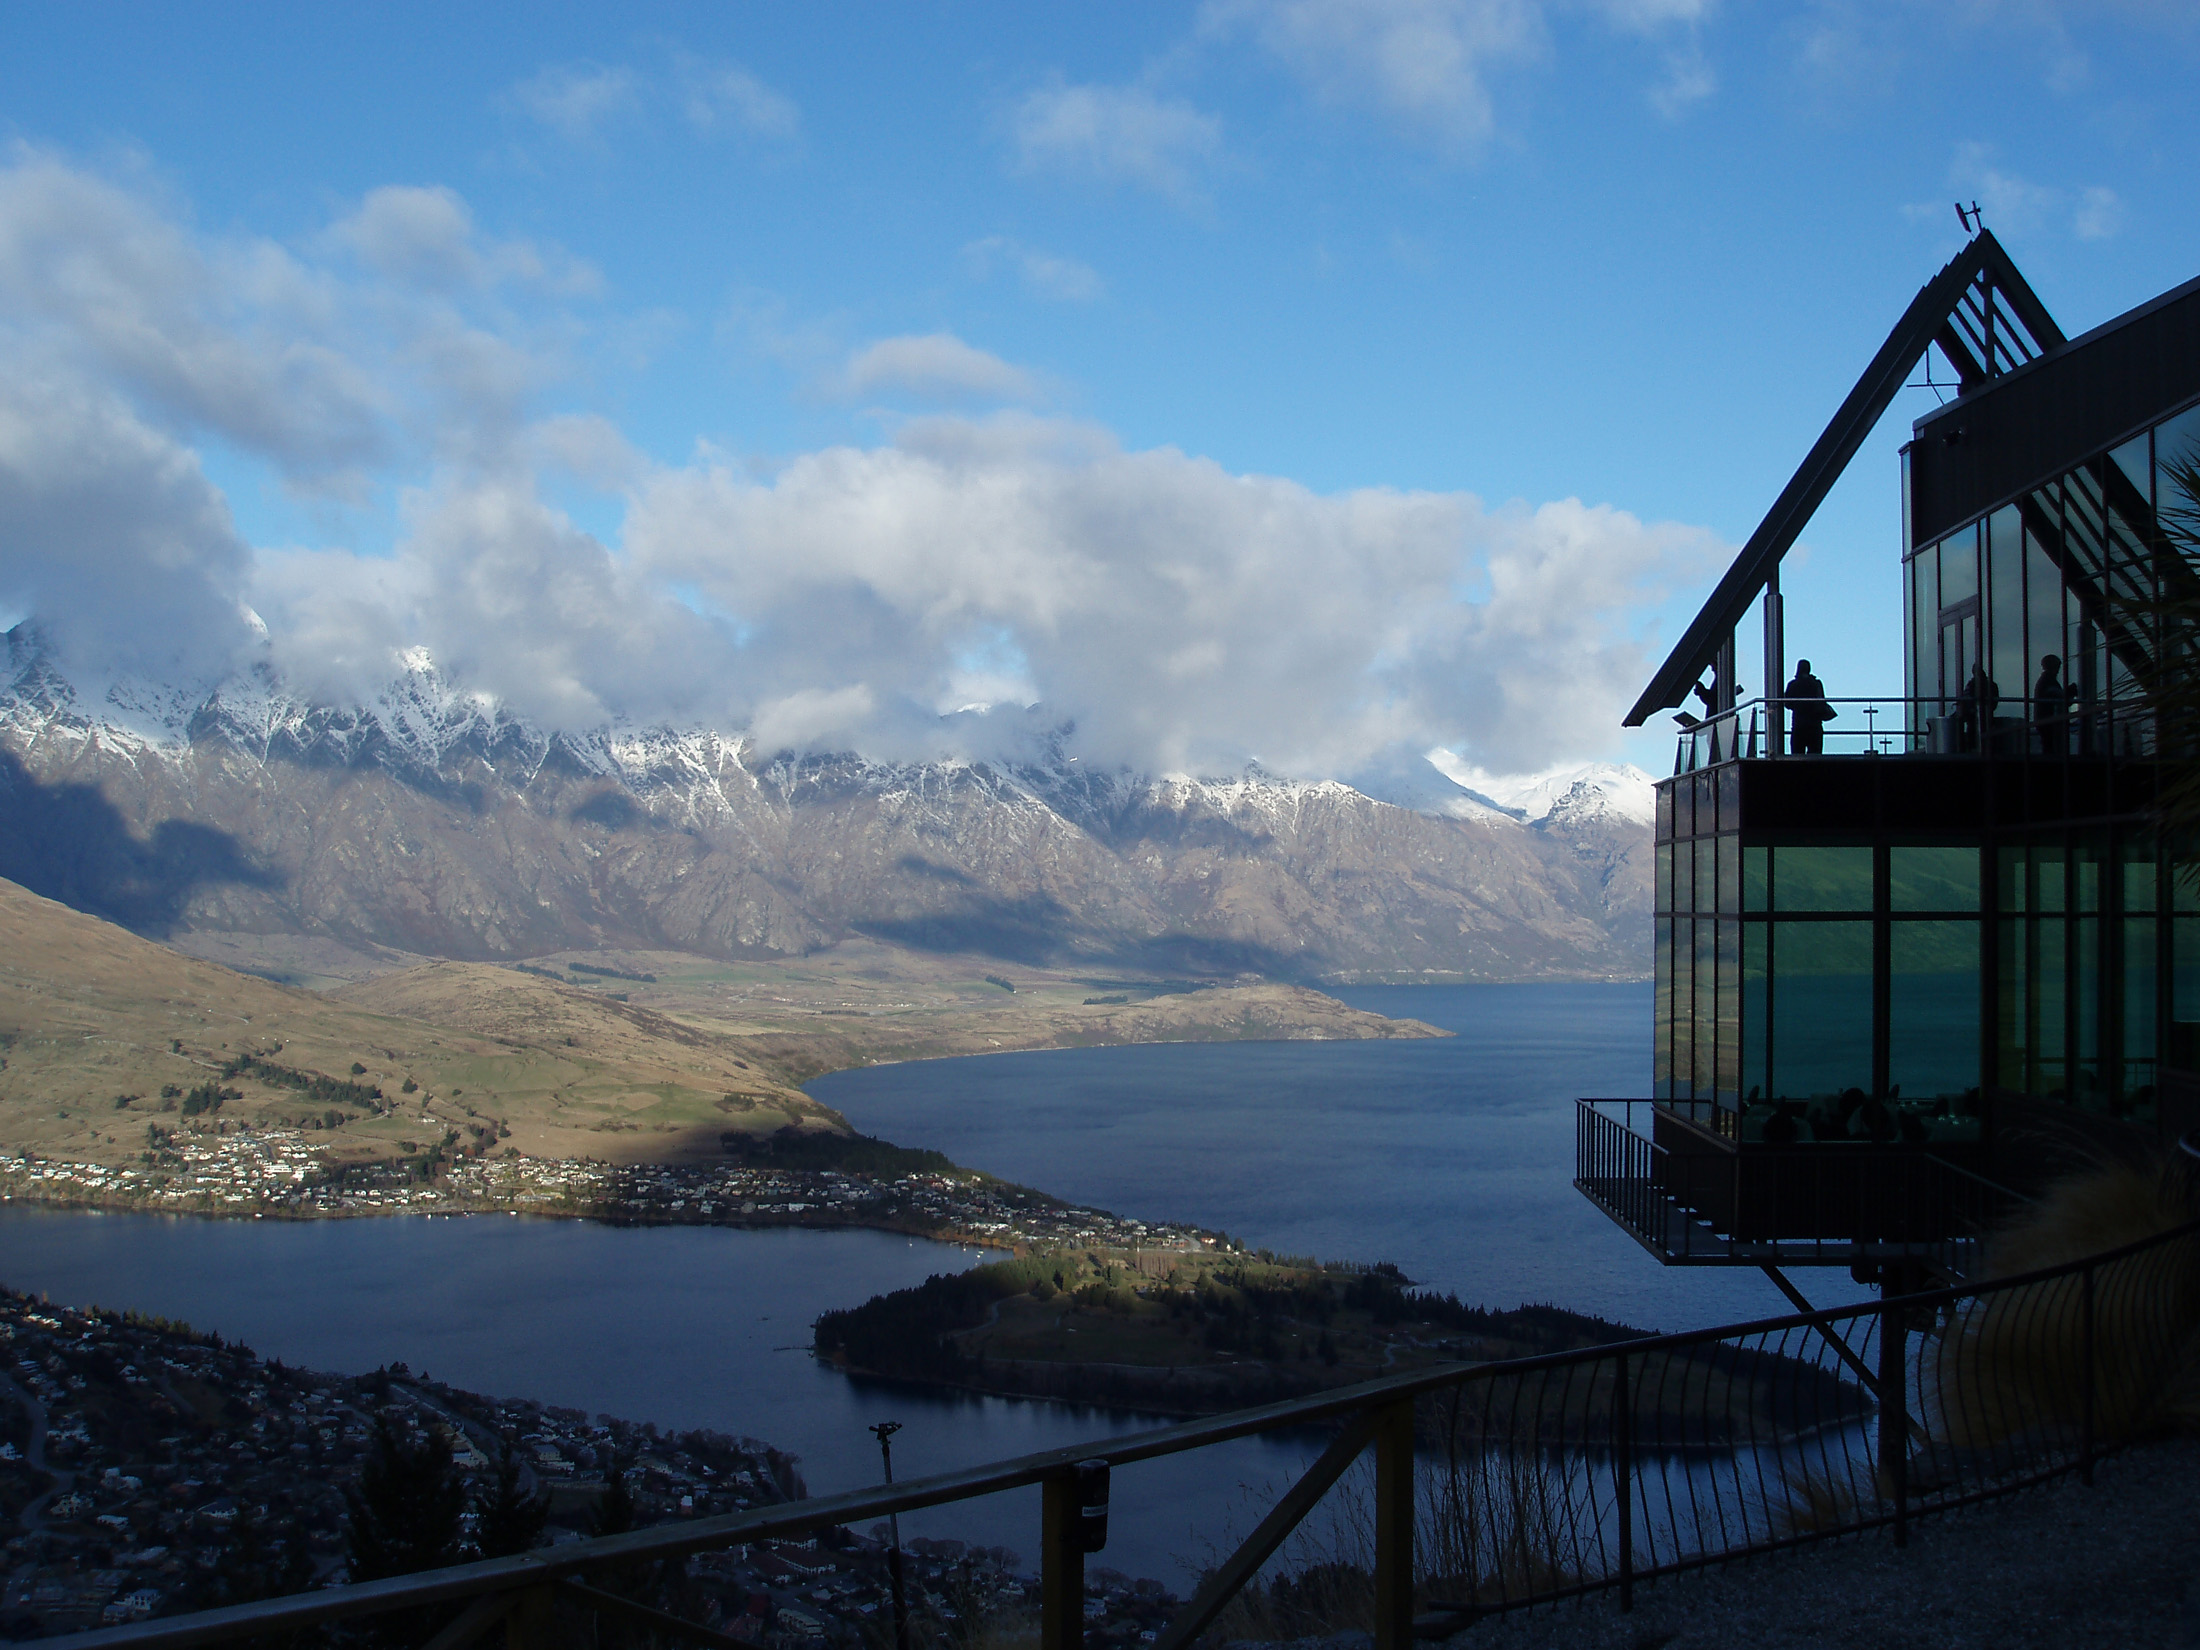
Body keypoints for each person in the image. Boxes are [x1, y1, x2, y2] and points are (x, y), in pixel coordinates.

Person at [1783, 660, 1833, 754]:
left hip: (1799, 725)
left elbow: (1787, 703)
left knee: (1797, 756)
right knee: (1815, 757)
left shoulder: (1793, 684)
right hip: (1815, 725)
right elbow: (1821, 701)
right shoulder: (1816, 683)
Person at [2033, 655, 2073, 753]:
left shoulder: (2045, 681)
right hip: (2049, 721)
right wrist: (2069, 693)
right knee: (2051, 747)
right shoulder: (2048, 681)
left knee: (2049, 746)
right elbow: (2059, 698)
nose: (2058, 670)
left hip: (2045, 720)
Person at [1959, 664, 2000, 751]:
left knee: (1972, 737)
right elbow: (1994, 703)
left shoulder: (1971, 685)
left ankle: (1974, 750)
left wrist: (1969, 710)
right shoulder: (1991, 685)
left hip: (1973, 717)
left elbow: (1965, 700)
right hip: (1986, 717)